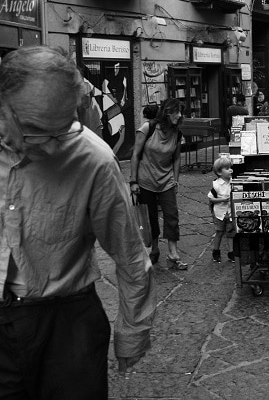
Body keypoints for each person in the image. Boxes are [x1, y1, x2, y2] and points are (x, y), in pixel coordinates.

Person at [0, 46, 155, 396]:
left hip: (67, 322)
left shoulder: (92, 159)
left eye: (63, 129)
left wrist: (133, 332)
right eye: (38, 131)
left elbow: (129, 252)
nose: (56, 147)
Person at [130, 98, 188, 269]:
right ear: (167, 112)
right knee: (150, 218)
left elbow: (176, 158)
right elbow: (135, 155)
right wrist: (133, 181)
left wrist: (175, 180)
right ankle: (154, 249)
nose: (180, 115)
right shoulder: (148, 129)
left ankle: (172, 252)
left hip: (166, 181)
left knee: (172, 216)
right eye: (176, 111)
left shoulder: (176, 133)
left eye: (181, 112)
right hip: (145, 180)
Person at [208, 157, 235, 263]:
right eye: (227, 168)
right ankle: (216, 251)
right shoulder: (216, 185)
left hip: (230, 212)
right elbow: (210, 198)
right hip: (219, 213)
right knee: (219, 232)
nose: (231, 170)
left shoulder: (233, 182)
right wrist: (222, 199)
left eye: (230, 168)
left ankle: (231, 253)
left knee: (230, 233)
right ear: (219, 172)